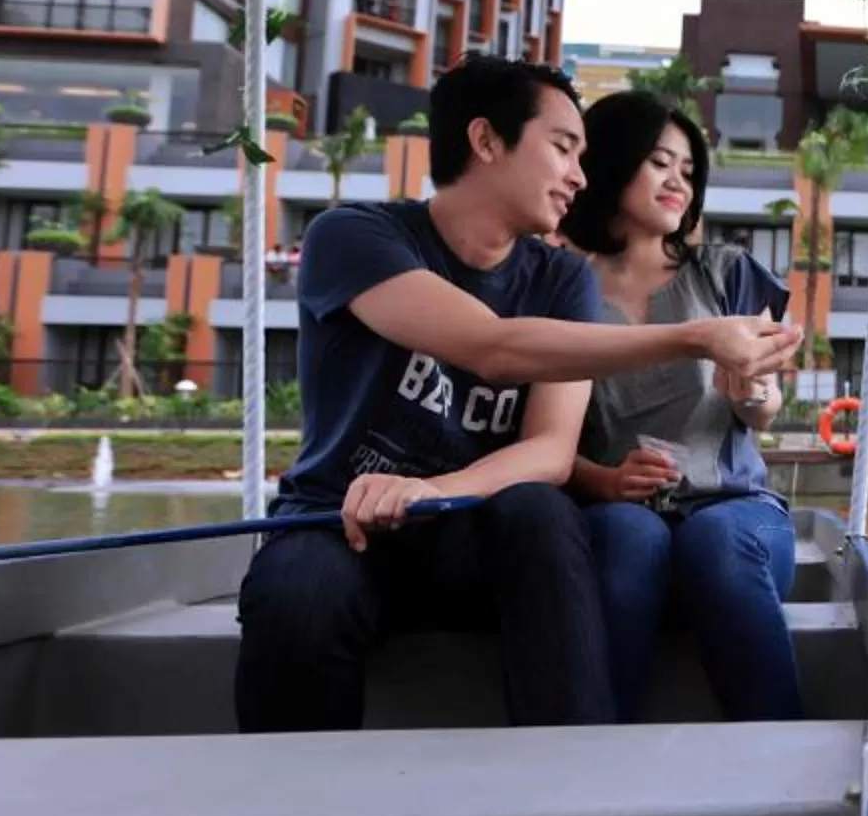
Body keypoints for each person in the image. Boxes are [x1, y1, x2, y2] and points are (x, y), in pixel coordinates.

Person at [234, 56, 800, 733]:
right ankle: (293, 794)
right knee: (297, 591)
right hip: (344, 522)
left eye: (584, 156)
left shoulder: (564, 280)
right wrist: (698, 339)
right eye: (562, 148)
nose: (579, 176)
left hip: (477, 533)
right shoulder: (353, 236)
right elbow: (492, 346)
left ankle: (574, 760)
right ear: (485, 140)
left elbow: (551, 451)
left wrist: (433, 490)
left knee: (542, 511)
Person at [560, 92, 805, 721]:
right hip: (617, 517)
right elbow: (538, 439)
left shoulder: (726, 274)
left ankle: (776, 748)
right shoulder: (560, 288)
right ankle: (596, 750)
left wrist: (751, 391)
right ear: (612, 163)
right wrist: (605, 481)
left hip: (736, 512)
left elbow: (765, 409)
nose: (678, 183)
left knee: (716, 543)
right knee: (628, 538)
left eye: (688, 171)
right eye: (659, 163)